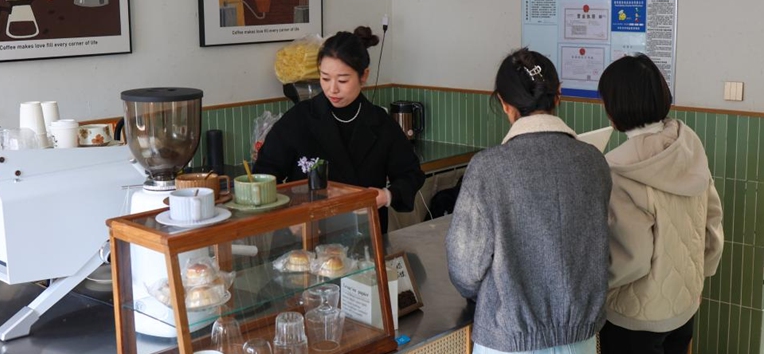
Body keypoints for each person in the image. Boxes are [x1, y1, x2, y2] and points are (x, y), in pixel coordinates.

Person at [446, 48, 612, 354]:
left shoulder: (489, 167)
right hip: (581, 341)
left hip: (508, 341)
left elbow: (465, 269)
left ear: (504, 104)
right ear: (559, 95)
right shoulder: (594, 161)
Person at [597, 54, 724, 354]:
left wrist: (597, 290)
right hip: (685, 305)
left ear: (616, 107)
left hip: (635, 318)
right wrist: (698, 279)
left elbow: (633, 257)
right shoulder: (689, 145)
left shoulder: (617, 170)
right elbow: (713, 222)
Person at [254, 26, 425, 234]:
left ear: (364, 76)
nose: (332, 89)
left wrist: (386, 195)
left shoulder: (380, 123)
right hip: (305, 237)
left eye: (343, 80)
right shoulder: (299, 119)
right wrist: (285, 215)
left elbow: (411, 174)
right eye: (325, 78)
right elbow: (264, 174)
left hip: (363, 237)